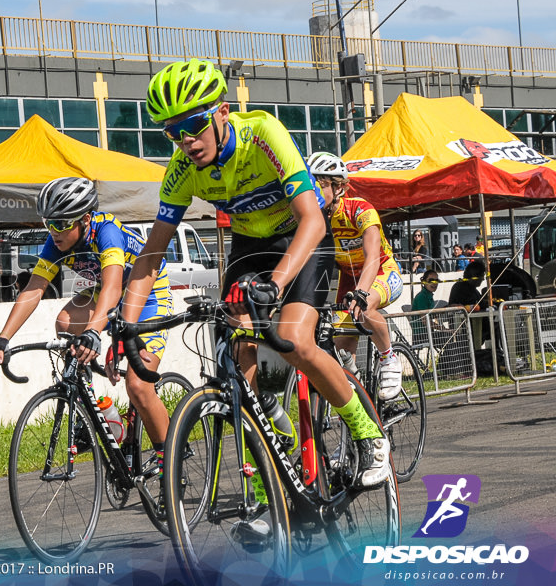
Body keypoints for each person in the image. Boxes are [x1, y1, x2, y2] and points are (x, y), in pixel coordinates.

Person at [121, 59, 391, 517]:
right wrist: (127, 322)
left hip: (301, 238)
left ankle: (368, 434)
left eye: (192, 125)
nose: (186, 141)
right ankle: (270, 492)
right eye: (173, 132)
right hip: (251, 245)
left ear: (222, 112)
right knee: (238, 371)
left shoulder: (264, 133)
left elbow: (312, 219)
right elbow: (153, 250)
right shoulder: (182, 169)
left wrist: (277, 283)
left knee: (293, 339)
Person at [0, 177, 175, 474]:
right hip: (107, 292)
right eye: (48, 223)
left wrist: (96, 333)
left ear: (85, 219)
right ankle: (95, 408)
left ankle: (169, 463)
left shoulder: (106, 231)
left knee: (137, 384)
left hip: (146, 293)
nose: (53, 231)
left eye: (60, 223)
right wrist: (2, 339)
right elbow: (34, 289)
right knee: (65, 323)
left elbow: (113, 288)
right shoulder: (57, 241)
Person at [307, 152, 404, 401]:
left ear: (339, 187)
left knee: (365, 304)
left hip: (382, 271)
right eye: (311, 183)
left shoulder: (360, 209)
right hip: (348, 279)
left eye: (321, 184)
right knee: (340, 350)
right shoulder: (314, 219)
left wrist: (361, 292)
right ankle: (361, 394)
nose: (314, 190)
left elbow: (372, 256)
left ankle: (389, 358)